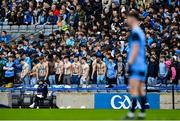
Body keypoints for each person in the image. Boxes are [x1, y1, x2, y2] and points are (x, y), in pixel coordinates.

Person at [125, 10, 147, 119]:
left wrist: (130, 63)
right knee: (140, 89)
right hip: (141, 64)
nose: (126, 20)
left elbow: (135, 48)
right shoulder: (141, 32)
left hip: (136, 64)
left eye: (128, 18)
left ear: (132, 19)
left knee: (134, 89)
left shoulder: (135, 32)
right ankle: (142, 112)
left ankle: (132, 113)